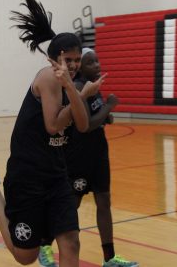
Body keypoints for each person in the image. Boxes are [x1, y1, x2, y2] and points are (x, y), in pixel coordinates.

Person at [0, 0, 104, 267]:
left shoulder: (72, 83)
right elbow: (53, 126)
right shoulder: (49, 78)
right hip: (28, 175)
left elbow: (82, 126)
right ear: (54, 58)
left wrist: (78, 93)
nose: (72, 66)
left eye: (76, 60)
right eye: (67, 59)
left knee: (71, 240)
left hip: (56, 174)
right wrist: (77, 93)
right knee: (25, 256)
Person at [38, 48, 138, 267]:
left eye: (98, 61)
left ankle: (109, 258)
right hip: (79, 156)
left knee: (104, 201)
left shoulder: (93, 85)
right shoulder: (81, 87)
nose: (98, 66)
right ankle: (44, 244)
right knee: (71, 204)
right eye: (92, 63)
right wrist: (110, 106)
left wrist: (106, 115)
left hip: (99, 154)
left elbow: (96, 117)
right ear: (81, 67)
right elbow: (88, 126)